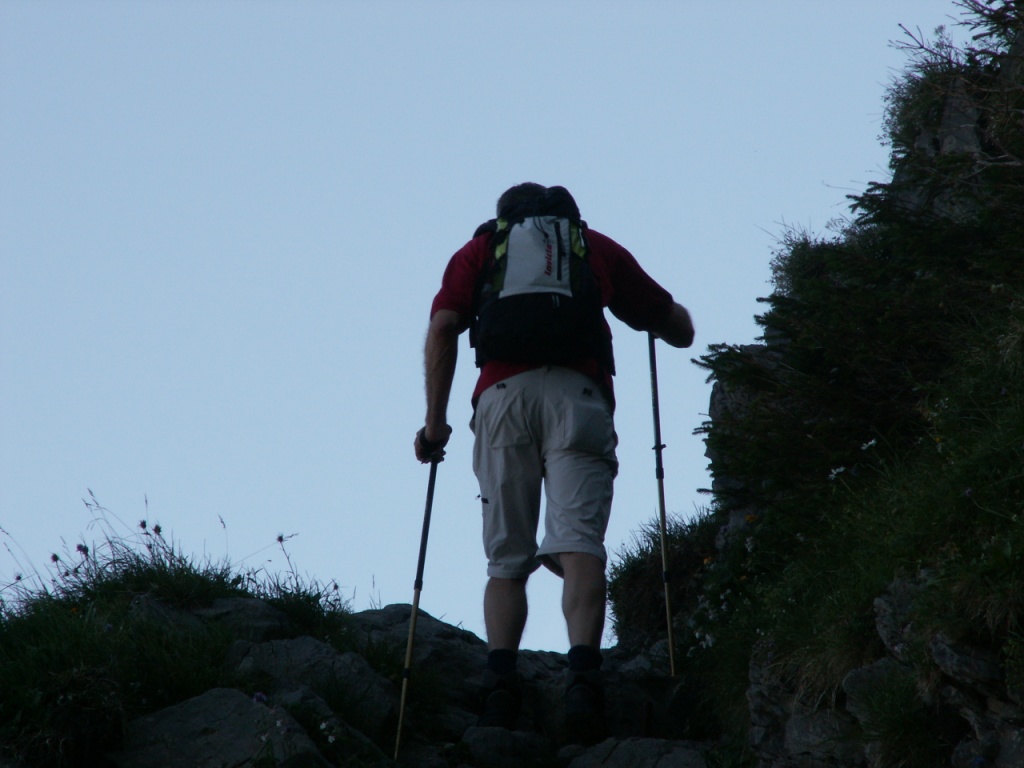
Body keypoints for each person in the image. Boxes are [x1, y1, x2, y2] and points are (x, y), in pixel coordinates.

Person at [414, 183, 694, 743]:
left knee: (506, 557)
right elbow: (677, 328)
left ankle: (500, 688)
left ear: (504, 217)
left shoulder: (479, 251)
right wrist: (664, 319)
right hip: (579, 397)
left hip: (502, 399)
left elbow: (444, 328)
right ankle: (583, 683)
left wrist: (435, 422)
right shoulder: (592, 247)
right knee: (580, 541)